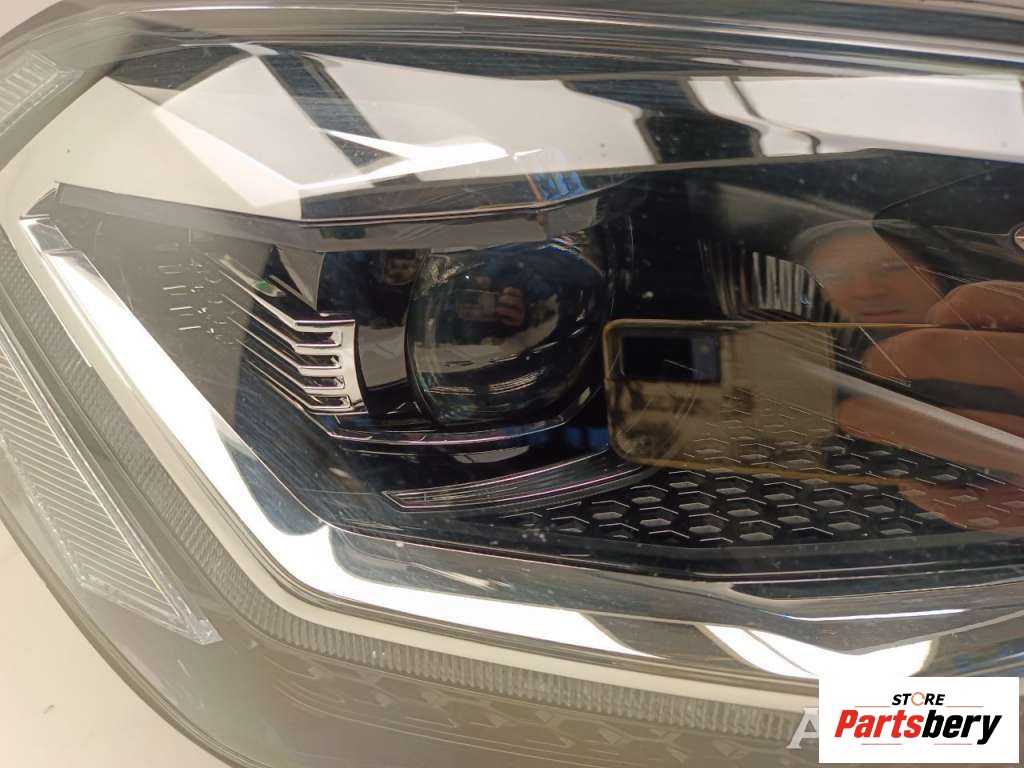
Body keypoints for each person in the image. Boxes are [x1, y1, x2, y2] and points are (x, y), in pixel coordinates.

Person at [793, 220, 1024, 529]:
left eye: (893, 268)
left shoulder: (1004, 346)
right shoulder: (801, 378)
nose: (867, 290)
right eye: (833, 276)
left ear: (938, 271)